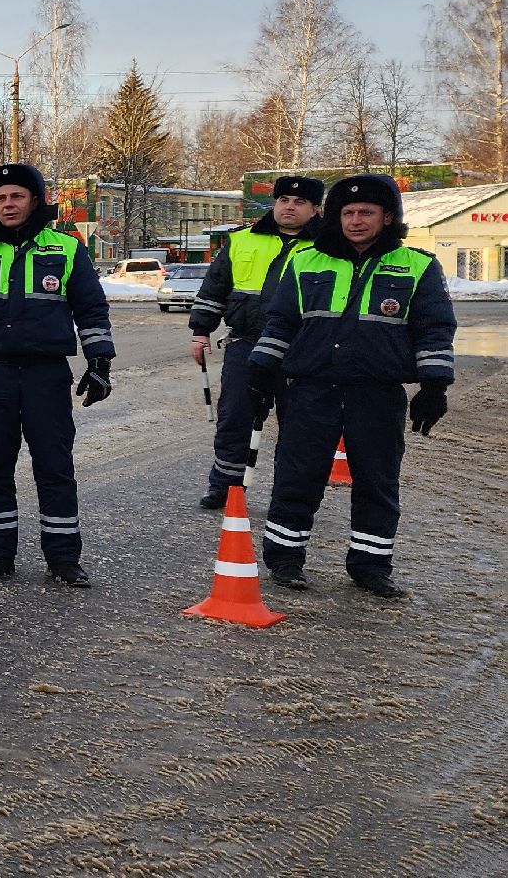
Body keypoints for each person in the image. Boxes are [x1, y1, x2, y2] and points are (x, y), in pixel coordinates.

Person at [246, 173, 455, 599]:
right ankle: (285, 560)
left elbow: (435, 328)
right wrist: (260, 374)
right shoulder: (307, 261)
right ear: (336, 217)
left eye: (367, 212)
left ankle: (371, 566)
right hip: (310, 388)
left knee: (377, 480)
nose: (356, 220)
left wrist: (435, 385)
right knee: (297, 475)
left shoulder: (417, 266)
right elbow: (281, 322)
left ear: (387, 217)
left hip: (376, 393)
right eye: (348, 212)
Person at [0, 163, 115, 586]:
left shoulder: (66, 249)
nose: (8, 205)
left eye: (16, 196)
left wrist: (99, 360)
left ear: (34, 200)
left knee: (54, 465)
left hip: (46, 375)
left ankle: (64, 559)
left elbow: (90, 309)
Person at [187, 176, 324, 509]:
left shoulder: (328, 247)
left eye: (299, 202)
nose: (289, 207)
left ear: (316, 209)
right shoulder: (242, 241)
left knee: (299, 427)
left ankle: (289, 496)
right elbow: (214, 289)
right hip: (246, 345)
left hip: (302, 352)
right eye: (283, 200)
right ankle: (226, 488)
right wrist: (201, 330)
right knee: (234, 418)